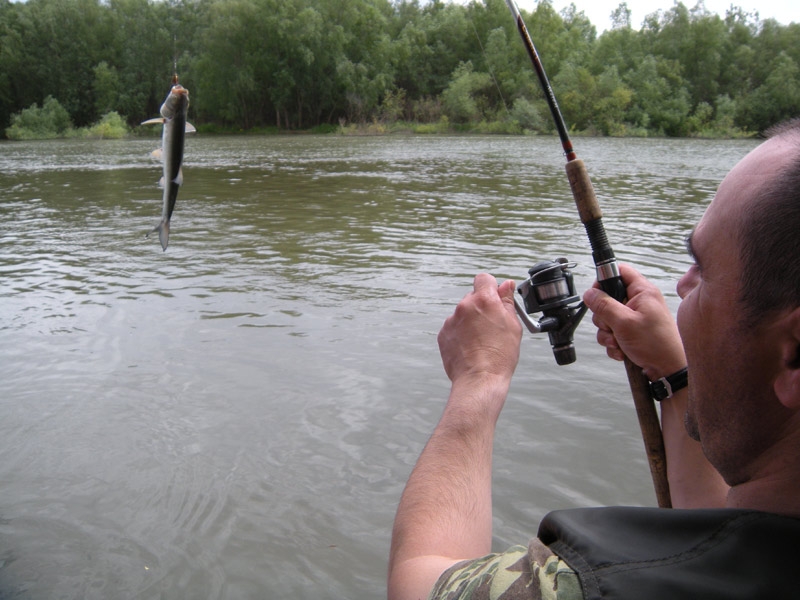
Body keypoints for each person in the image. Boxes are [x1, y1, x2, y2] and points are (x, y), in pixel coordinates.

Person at [388, 120, 800, 600]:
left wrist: (479, 377)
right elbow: (720, 529)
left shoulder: (593, 586)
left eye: (703, 270)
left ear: (794, 355)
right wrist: (673, 374)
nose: (682, 286)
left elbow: (419, 581)